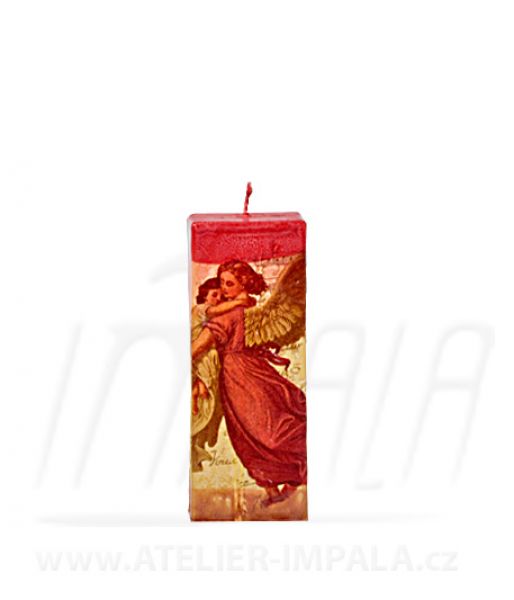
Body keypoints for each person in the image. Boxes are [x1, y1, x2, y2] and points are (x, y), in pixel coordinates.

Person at [192, 260, 307, 506]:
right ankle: (274, 491)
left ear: (244, 284)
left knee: (265, 431)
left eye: (229, 284)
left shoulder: (228, 316)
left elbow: (196, 348)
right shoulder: (245, 310)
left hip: (243, 377)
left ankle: (299, 470)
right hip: (242, 375)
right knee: (246, 436)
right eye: (222, 283)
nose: (224, 289)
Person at [190, 277, 255, 470]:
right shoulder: (200, 309)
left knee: (211, 408)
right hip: (200, 362)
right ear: (204, 296)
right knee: (202, 405)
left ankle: (199, 447)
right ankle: (194, 451)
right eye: (214, 295)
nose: (218, 299)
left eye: (220, 296)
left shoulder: (216, 318)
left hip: (210, 363)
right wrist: (239, 301)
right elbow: (214, 312)